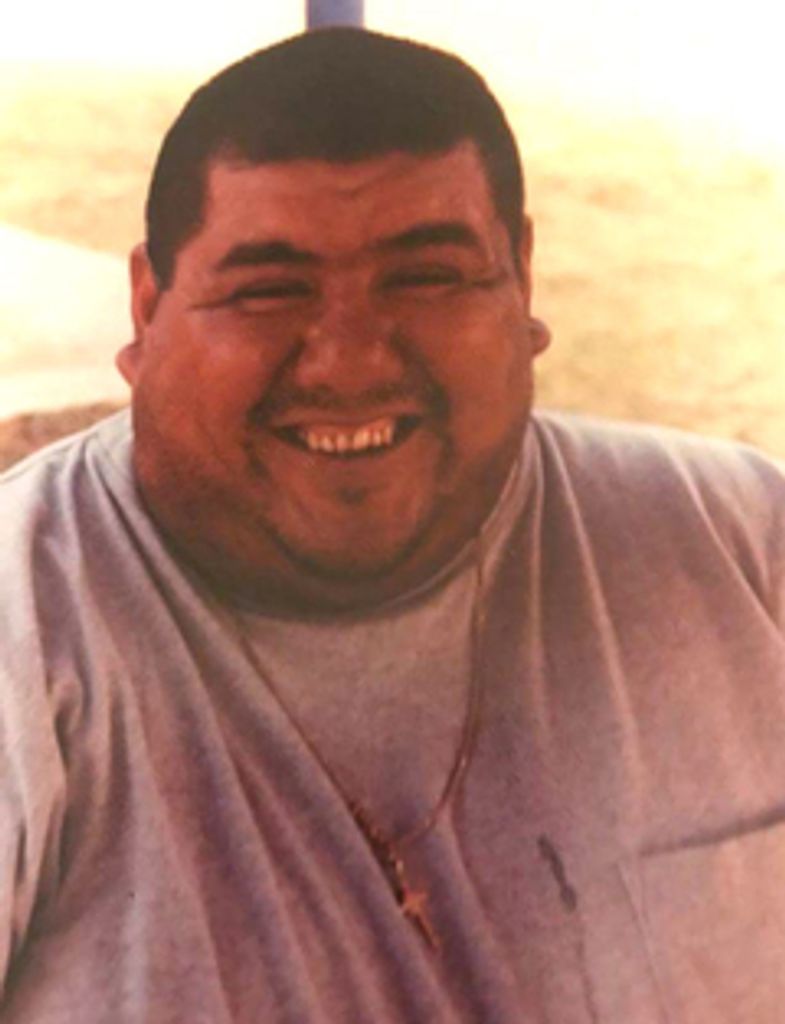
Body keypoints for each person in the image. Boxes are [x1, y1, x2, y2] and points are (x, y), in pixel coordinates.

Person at [2, 27, 785, 1024]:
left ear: (521, 281)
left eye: (426, 277)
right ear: (146, 310)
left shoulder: (734, 540)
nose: (349, 362)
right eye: (268, 291)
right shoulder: (27, 621)